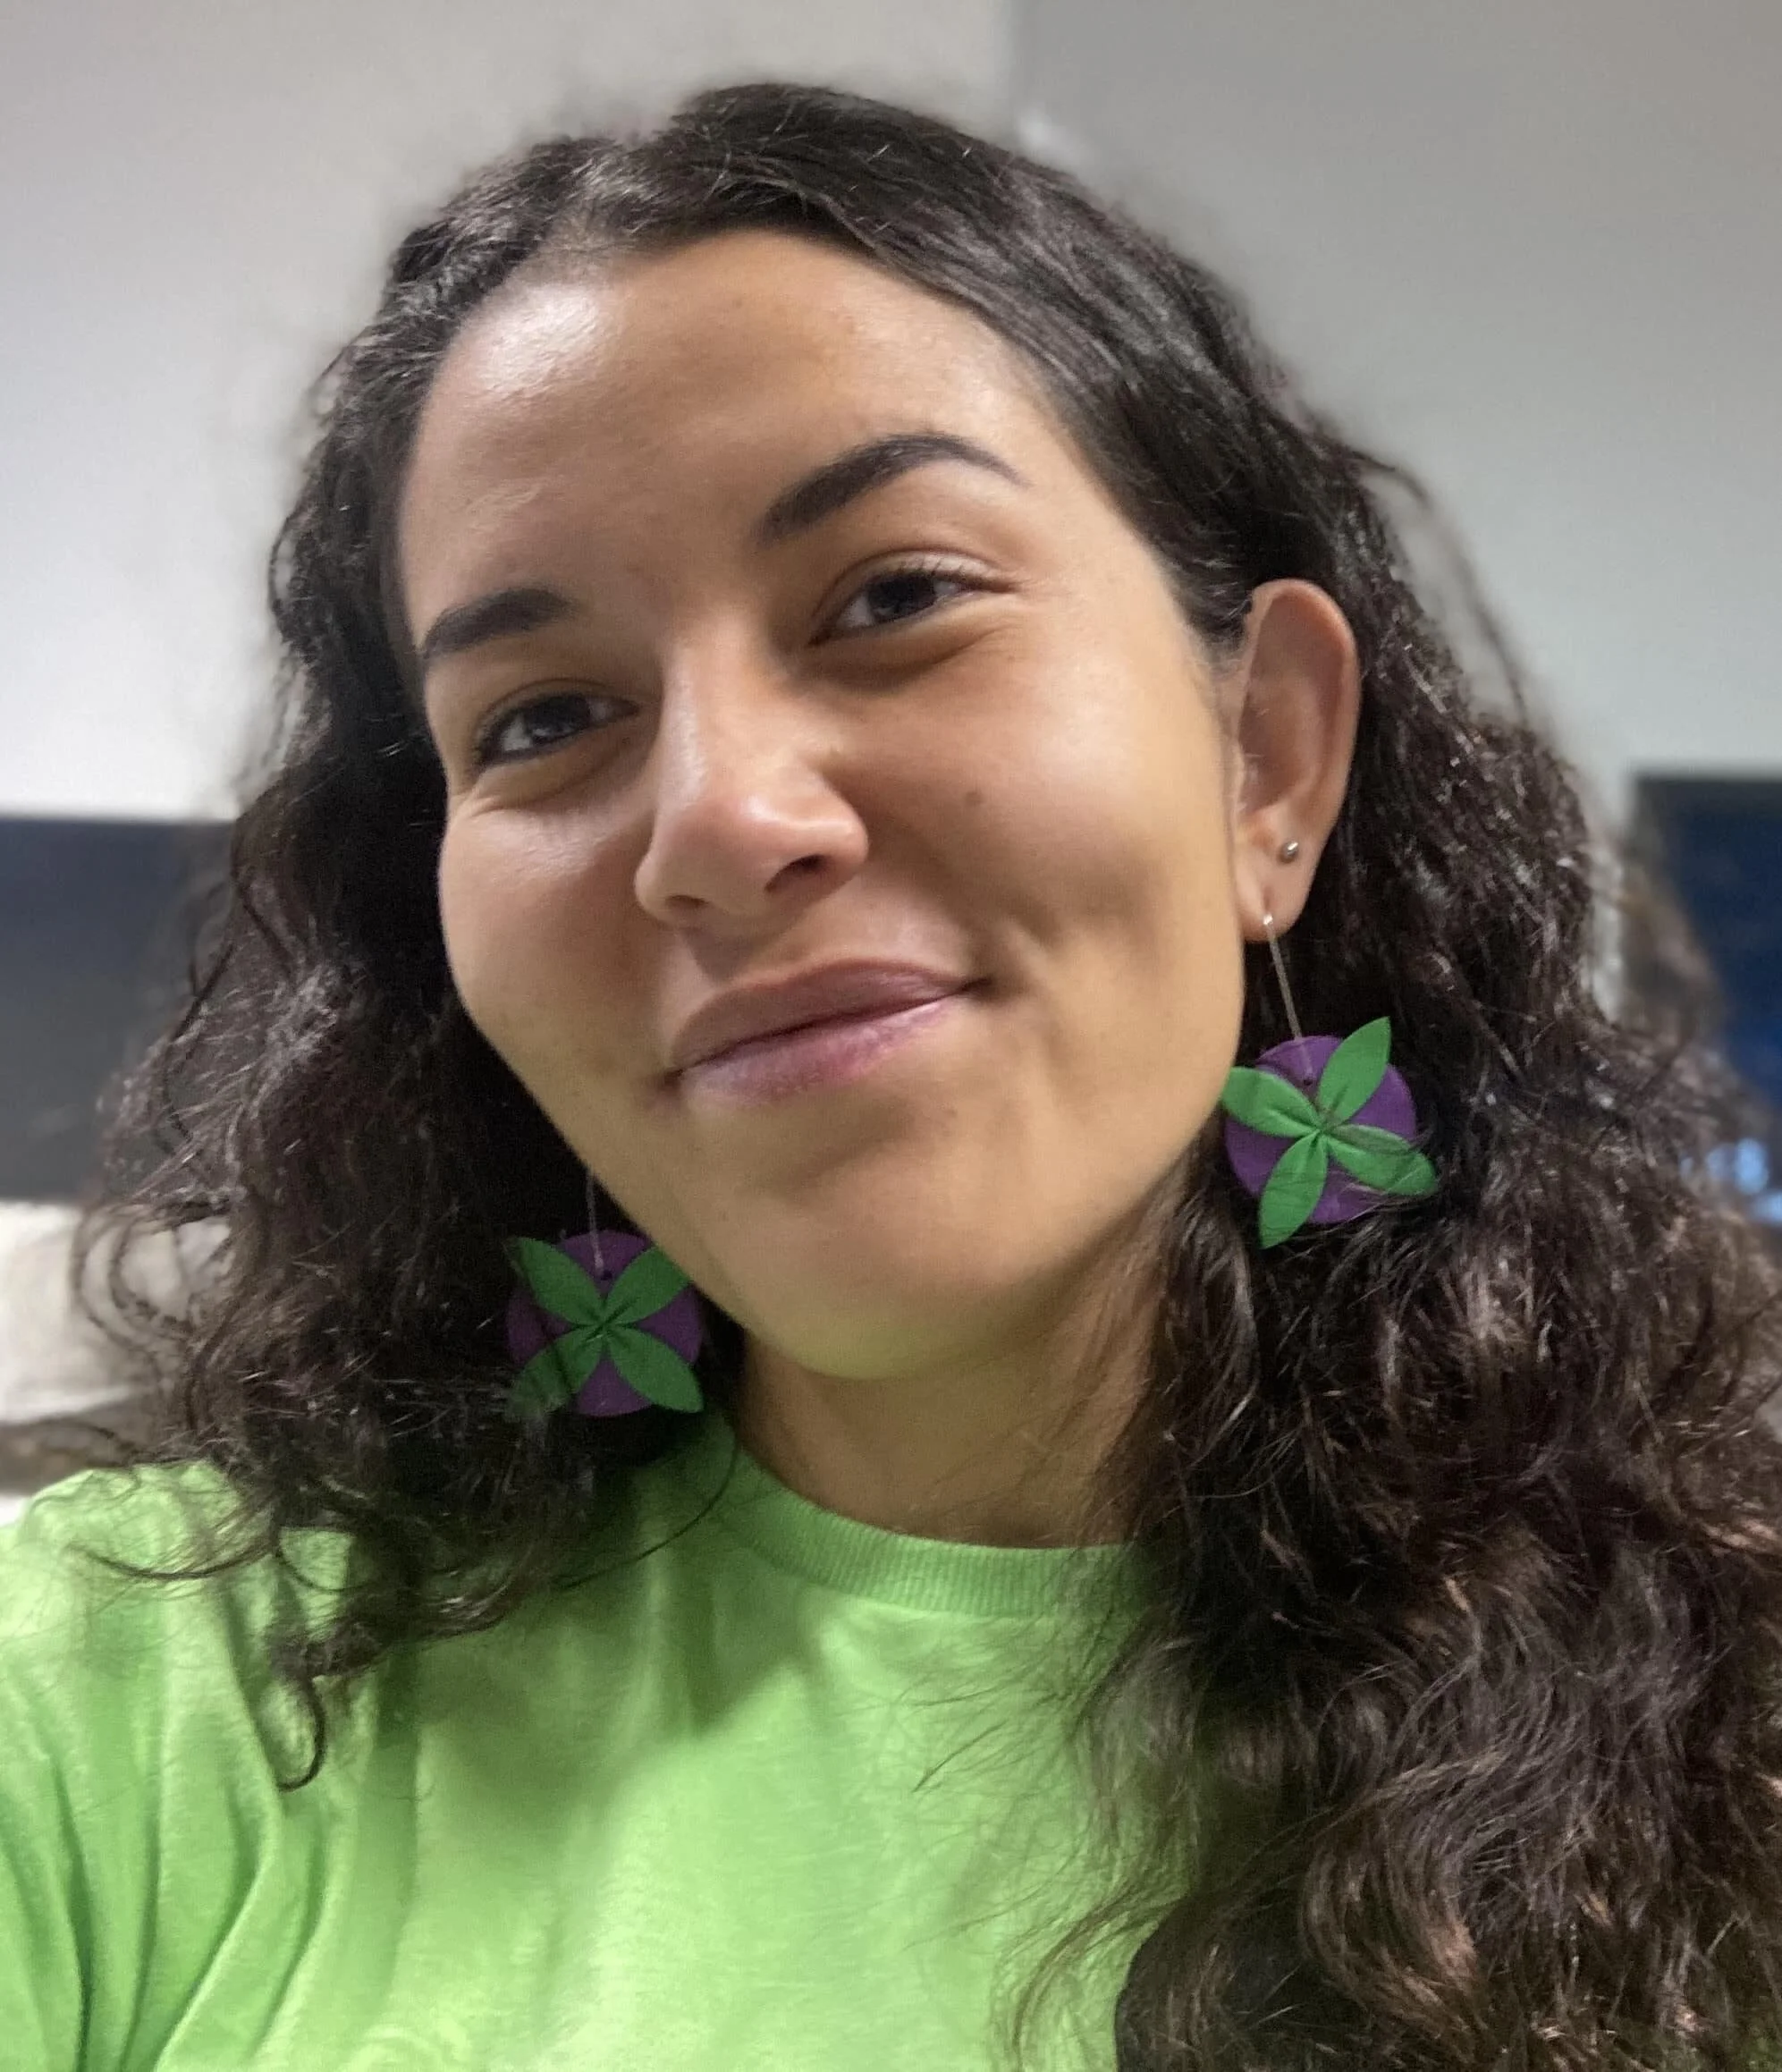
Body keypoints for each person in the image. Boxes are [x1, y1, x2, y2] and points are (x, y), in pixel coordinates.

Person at [4, 78, 1781, 2072]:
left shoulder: (1739, 1688)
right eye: (545, 717)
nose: (723, 819)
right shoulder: (106, 1698)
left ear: (1267, 756)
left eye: (895, 598)